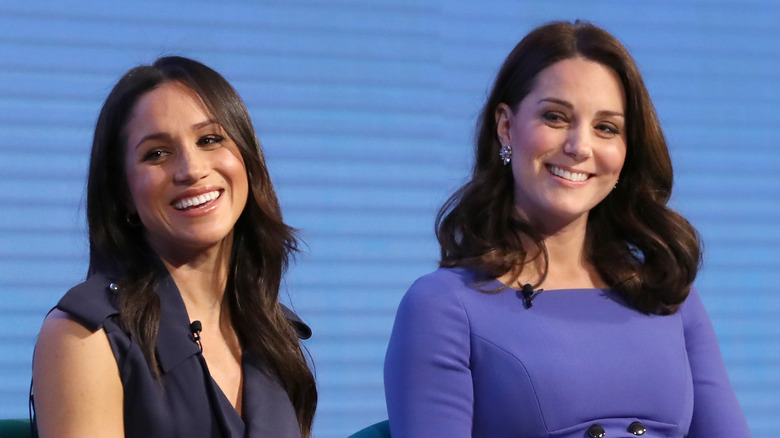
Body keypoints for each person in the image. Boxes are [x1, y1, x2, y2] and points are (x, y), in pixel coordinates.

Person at [384, 21, 750, 437]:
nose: (580, 146)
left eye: (606, 127)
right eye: (555, 117)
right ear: (506, 126)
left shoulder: (666, 294)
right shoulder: (443, 306)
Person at [32, 56, 316, 438]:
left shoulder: (275, 334)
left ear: (246, 160)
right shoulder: (85, 335)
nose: (191, 169)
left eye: (210, 140)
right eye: (157, 154)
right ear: (124, 195)